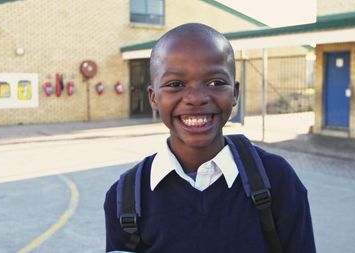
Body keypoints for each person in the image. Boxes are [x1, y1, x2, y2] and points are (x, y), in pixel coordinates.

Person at [104, 23, 316, 253]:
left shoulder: (277, 179)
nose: (196, 98)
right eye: (176, 84)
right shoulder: (125, 198)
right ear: (153, 98)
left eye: (215, 82)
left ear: (234, 93)